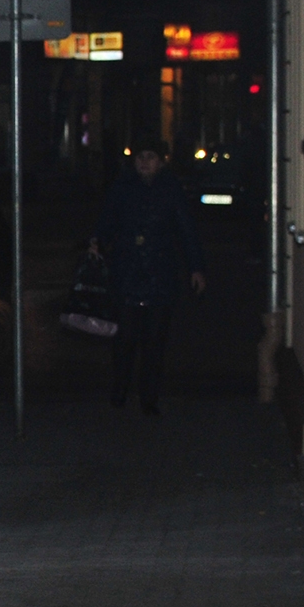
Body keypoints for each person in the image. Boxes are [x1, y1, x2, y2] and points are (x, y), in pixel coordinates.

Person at [87, 136, 206, 415]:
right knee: (124, 338)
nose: (144, 163)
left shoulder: (171, 190)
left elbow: (187, 231)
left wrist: (196, 268)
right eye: (140, 157)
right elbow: (107, 220)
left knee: (154, 340)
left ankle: (149, 397)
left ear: (161, 162)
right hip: (128, 271)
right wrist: (97, 240)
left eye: (150, 157)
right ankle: (120, 389)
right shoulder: (122, 187)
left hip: (160, 273)